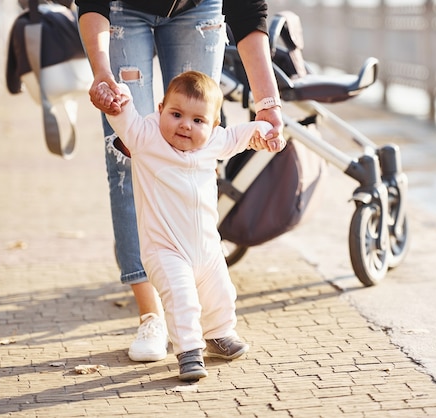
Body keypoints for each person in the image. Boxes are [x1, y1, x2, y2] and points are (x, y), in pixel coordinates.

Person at [75, 0, 283, 363]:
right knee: (127, 154)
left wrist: (268, 104)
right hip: (120, 9)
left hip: (198, 10)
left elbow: (249, 12)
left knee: (199, 137)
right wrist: (102, 72)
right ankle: (151, 316)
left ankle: (214, 327)